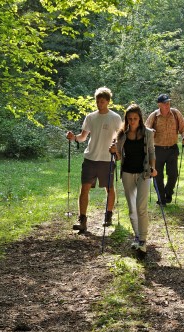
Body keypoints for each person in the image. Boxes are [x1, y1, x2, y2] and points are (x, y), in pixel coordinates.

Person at [66, 87, 122, 232]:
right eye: (97, 101)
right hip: (90, 157)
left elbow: (120, 137)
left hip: (107, 159)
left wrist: (116, 146)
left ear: (108, 102)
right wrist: (74, 138)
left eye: (102, 101)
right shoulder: (90, 117)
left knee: (109, 188)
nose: (99, 104)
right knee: (84, 188)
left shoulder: (115, 117)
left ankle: (108, 215)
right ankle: (82, 220)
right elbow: (83, 137)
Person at [109, 104, 157, 256]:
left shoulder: (148, 133)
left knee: (141, 207)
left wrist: (153, 168)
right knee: (132, 208)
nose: (132, 121)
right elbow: (118, 156)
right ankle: (137, 236)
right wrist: (113, 151)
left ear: (140, 118)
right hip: (127, 173)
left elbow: (151, 152)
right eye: (130, 119)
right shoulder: (122, 134)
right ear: (126, 119)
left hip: (144, 173)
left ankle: (143, 240)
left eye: (135, 118)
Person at [145, 94, 184, 206]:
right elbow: (145, 131)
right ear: (159, 104)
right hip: (157, 150)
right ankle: (161, 199)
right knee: (157, 176)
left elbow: (183, 127)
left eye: (168, 102)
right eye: (165, 103)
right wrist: (151, 132)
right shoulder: (154, 116)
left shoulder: (175, 113)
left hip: (172, 149)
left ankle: (167, 193)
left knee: (173, 174)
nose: (167, 105)